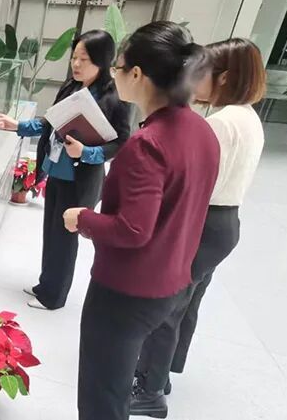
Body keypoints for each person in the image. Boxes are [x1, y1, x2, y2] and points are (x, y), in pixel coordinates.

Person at [61, 21, 220, 420]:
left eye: (118, 67)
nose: (115, 75)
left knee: (102, 396)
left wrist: (83, 218)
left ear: (136, 74)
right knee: (113, 389)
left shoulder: (147, 145)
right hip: (171, 282)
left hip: (126, 291)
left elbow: (133, 229)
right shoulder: (201, 131)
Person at [130, 38, 266, 417]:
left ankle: (150, 392)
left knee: (167, 306)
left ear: (223, 77)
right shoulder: (246, 116)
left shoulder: (221, 123)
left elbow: (194, 184)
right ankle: (161, 374)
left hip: (204, 221)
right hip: (225, 222)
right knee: (187, 302)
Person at [0, 29, 131, 310]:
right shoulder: (71, 87)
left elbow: (121, 141)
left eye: (84, 59)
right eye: (74, 57)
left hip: (79, 179)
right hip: (56, 170)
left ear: (102, 60)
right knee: (50, 232)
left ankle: (55, 297)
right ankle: (46, 284)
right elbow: (51, 121)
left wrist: (88, 153)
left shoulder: (115, 98)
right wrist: (19, 126)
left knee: (65, 238)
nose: (76, 64)